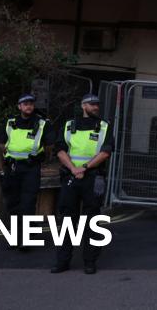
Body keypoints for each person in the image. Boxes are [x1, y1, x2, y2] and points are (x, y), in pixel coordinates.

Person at [52, 93, 115, 275]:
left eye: (97, 104)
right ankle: (62, 261)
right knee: (67, 221)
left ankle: (90, 261)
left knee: (92, 221)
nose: (96, 107)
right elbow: (60, 150)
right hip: (71, 176)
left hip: (93, 177)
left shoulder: (103, 126)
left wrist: (84, 168)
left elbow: (105, 153)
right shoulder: (69, 125)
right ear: (83, 106)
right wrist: (73, 168)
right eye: (92, 104)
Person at [0, 93, 48, 248]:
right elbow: (1, 142)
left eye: (31, 103)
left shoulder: (41, 123)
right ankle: (15, 237)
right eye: (25, 104)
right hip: (12, 168)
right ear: (19, 106)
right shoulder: (10, 122)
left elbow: (50, 146)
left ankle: (27, 239)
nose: (29, 106)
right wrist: (6, 157)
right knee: (13, 204)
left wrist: (39, 158)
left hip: (30, 168)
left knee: (28, 204)